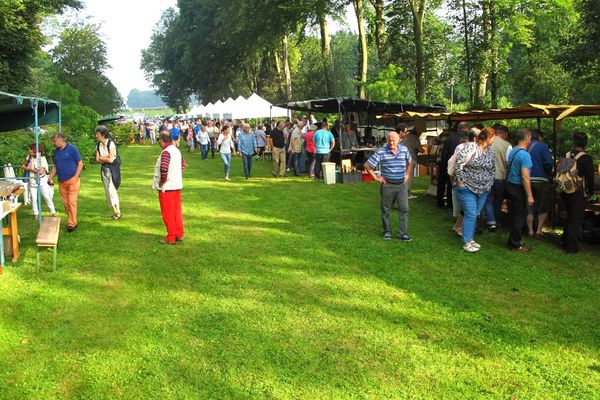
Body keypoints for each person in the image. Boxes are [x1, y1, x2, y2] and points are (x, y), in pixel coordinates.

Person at [364, 132, 413, 241]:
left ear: (399, 140)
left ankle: (402, 234)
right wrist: (376, 177)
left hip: (401, 185)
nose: (391, 142)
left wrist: (407, 174)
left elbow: (410, 162)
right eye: (389, 140)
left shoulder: (404, 150)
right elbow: (367, 165)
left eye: (394, 140)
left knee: (404, 209)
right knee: (386, 209)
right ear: (387, 140)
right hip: (388, 185)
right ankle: (387, 232)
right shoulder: (381, 151)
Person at [454, 128, 496, 253]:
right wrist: (461, 182)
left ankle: (470, 239)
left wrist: (489, 183)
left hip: (483, 189)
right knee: (471, 214)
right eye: (493, 137)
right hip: (467, 187)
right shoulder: (470, 147)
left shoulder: (489, 152)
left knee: (475, 214)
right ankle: (467, 242)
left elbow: (492, 168)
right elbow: (459, 163)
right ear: (488, 138)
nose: (494, 140)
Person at [560, 132, 595, 253]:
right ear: (585, 143)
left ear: (573, 142)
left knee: (570, 216)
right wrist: (590, 192)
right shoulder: (586, 158)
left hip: (565, 190)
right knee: (575, 220)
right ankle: (571, 247)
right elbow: (590, 177)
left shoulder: (567, 155)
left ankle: (564, 240)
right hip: (578, 192)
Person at [152, 132, 185, 245]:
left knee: (168, 213)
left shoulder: (166, 152)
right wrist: (177, 174)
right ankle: (179, 234)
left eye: (159, 141)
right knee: (177, 212)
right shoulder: (176, 150)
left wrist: (161, 182)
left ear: (162, 140)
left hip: (167, 188)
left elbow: (164, 169)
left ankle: (171, 237)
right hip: (176, 185)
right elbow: (183, 163)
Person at [47, 132, 83, 232]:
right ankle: (71, 219)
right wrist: (50, 177)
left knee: (72, 202)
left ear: (61, 140)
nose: (53, 143)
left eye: (54, 141)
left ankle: (72, 223)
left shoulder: (72, 149)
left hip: (73, 180)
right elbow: (55, 166)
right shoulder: (56, 152)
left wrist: (76, 177)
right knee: (66, 204)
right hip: (61, 182)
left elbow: (80, 163)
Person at [505, 129, 534, 252]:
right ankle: (516, 244)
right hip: (518, 187)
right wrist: (530, 195)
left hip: (510, 185)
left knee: (514, 215)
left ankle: (513, 239)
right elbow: (525, 176)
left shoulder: (513, 151)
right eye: (530, 137)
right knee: (520, 216)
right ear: (527, 137)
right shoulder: (525, 155)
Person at [483, 124, 511, 231]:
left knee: (488, 199)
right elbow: (509, 163)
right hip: (500, 176)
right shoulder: (507, 145)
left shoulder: (487, 142)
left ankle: (491, 221)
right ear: (505, 134)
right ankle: (498, 221)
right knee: (498, 200)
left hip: (487, 176)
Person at [526, 129, 554, 238]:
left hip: (527, 180)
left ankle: (530, 231)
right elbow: (549, 162)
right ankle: (538, 230)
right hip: (541, 180)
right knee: (543, 206)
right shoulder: (542, 146)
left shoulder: (525, 146)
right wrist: (548, 172)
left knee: (529, 207)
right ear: (540, 137)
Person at [438, 122, 469, 208]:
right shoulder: (467, 138)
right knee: (453, 185)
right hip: (461, 165)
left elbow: (444, 151)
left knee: (442, 183)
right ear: (466, 128)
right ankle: (451, 204)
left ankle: (440, 202)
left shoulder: (450, 137)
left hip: (447, 162)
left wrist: (444, 163)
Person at [22, 144, 56, 218]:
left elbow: (40, 172)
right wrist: (30, 169)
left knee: (46, 196)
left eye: (31, 149)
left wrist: (29, 169)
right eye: (30, 149)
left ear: (36, 150)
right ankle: (35, 213)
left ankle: (53, 212)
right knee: (33, 198)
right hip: (32, 180)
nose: (30, 151)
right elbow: (23, 166)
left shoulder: (41, 158)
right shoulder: (29, 157)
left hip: (42, 180)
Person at [95, 126, 122, 220]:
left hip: (113, 169)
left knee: (112, 189)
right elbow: (97, 159)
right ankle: (115, 212)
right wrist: (105, 157)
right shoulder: (98, 145)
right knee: (108, 191)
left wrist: (103, 158)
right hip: (104, 169)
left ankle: (118, 212)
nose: (96, 136)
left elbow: (111, 160)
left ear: (102, 135)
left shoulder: (111, 144)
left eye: (97, 134)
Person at [399, 124, 424, 200]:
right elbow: (420, 150)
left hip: (402, 158)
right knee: (409, 177)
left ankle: (402, 193)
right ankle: (407, 194)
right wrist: (424, 149)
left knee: (404, 176)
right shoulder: (415, 138)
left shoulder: (406, 136)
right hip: (410, 159)